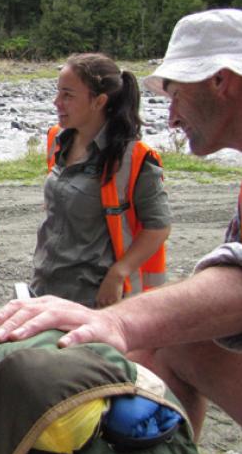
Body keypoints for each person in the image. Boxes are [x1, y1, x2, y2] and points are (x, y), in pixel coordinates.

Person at [0, 9, 242, 454]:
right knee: (177, 343)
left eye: (174, 93)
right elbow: (208, 315)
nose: (171, 116)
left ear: (221, 80)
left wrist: (120, 322)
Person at [35, 53, 170, 308]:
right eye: (57, 93)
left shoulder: (134, 159)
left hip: (94, 298)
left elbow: (158, 227)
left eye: (67, 95)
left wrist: (119, 273)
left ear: (99, 101)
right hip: (46, 285)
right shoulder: (58, 140)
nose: (56, 102)